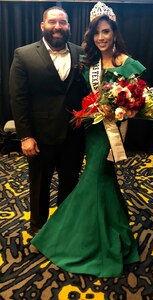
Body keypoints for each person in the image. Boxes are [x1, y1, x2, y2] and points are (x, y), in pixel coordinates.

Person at [31, 2, 146, 278]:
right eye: (96, 33)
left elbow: (139, 101)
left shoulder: (126, 62)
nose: (101, 38)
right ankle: (112, 229)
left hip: (112, 134)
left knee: (94, 178)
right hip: (92, 132)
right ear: (92, 36)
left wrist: (124, 108)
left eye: (106, 32)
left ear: (114, 32)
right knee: (103, 180)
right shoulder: (89, 63)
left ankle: (83, 238)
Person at [9, 6, 87, 234]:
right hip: (40, 137)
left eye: (62, 22)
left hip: (74, 135)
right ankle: (38, 230)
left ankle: (64, 230)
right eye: (52, 22)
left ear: (69, 26)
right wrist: (26, 135)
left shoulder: (81, 53)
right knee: (39, 186)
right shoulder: (23, 54)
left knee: (70, 184)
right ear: (42, 25)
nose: (57, 27)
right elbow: (18, 98)